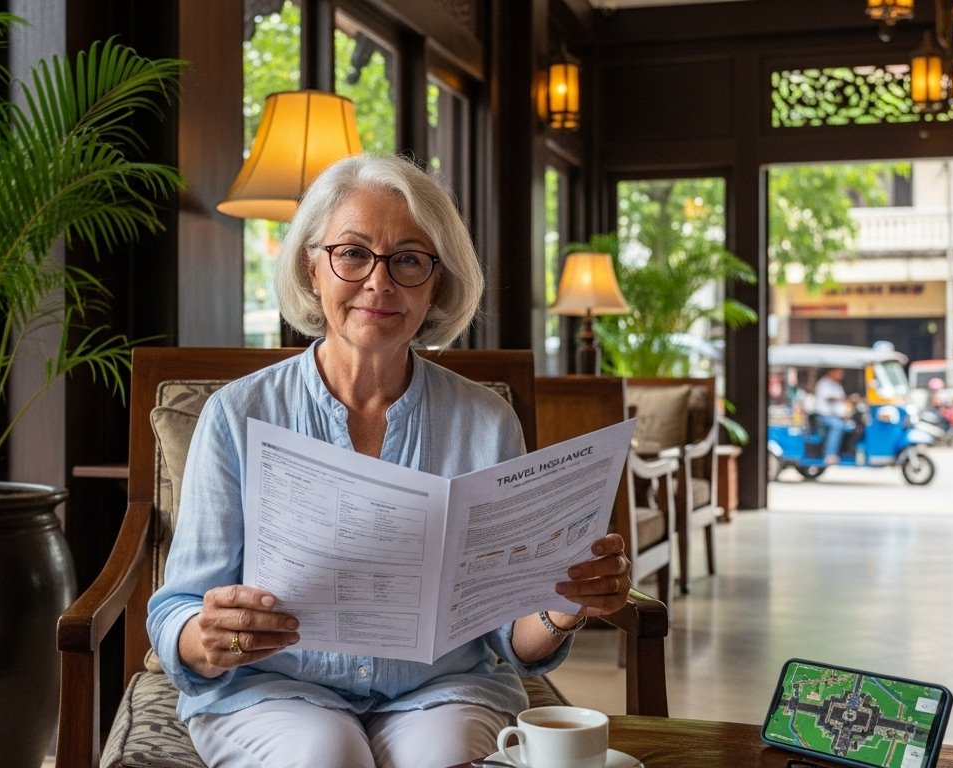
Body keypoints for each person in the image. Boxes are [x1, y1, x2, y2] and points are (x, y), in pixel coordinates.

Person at [146, 154, 633, 768]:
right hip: (272, 690)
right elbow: (178, 606)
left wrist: (563, 603)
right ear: (312, 266)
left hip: (440, 690)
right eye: (352, 253)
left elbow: (510, 636)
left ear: (437, 284)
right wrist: (207, 636)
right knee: (325, 755)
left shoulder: (485, 421)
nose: (379, 282)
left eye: (408, 259)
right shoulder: (235, 414)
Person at [813, 367, 853, 465]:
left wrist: (845, 415)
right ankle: (830, 454)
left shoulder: (837, 385)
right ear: (831, 372)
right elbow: (830, 398)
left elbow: (841, 405)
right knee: (837, 425)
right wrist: (843, 399)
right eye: (839, 372)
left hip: (836, 416)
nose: (841, 375)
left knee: (851, 426)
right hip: (823, 416)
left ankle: (848, 452)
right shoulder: (823, 383)